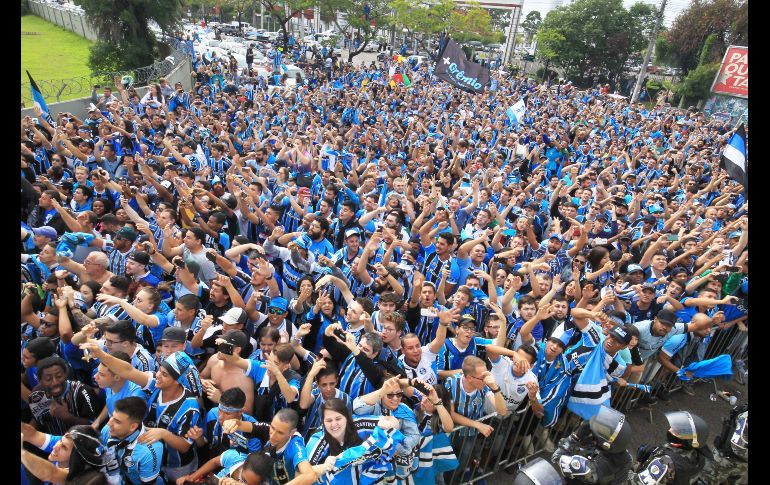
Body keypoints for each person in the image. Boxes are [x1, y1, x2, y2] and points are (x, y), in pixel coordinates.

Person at [551, 405, 632, 484]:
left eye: (596, 437)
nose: (593, 435)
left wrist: (574, 437)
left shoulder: (599, 468)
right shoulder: (622, 454)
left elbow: (556, 458)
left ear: (606, 445)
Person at [631, 411, 710, 485]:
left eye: (676, 432)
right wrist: (655, 451)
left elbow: (634, 483)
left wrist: (628, 465)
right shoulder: (699, 457)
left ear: (685, 441)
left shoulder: (664, 463)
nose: (670, 430)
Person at [104, 396, 165, 485]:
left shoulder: (148, 451)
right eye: (112, 416)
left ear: (133, 427)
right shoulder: (108, 429)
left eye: (117, 421)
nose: (109, 423)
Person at [21, 424, 108, 485]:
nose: (55, 446)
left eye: (64, 447)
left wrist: (22, 452)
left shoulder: (80, 475)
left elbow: (50, 474)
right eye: (60, 440)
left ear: (76, 458)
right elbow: (31, 434)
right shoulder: (68, 442)